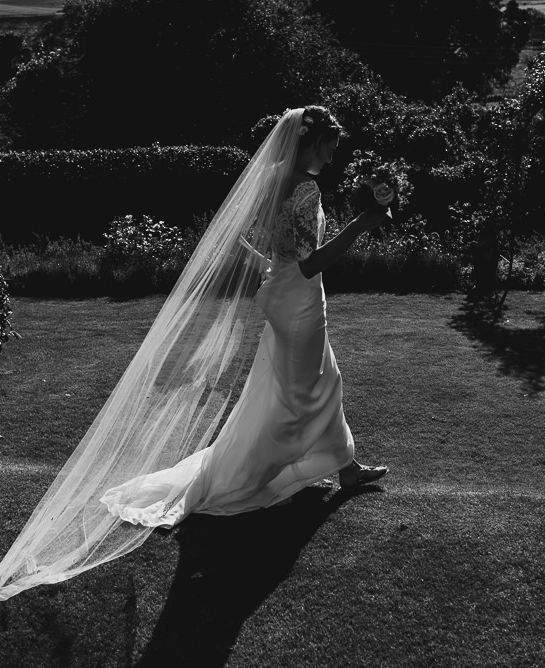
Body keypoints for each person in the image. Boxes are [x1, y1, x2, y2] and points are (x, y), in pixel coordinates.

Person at [0, 106, 389, 600]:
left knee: (319, 380)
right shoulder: (306, 187)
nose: (335, 153)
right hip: (299, 301)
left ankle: (346, 468)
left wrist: (268, 267)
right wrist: (362, 225)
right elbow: (311, 264)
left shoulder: (272, 181)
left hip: (282, 293)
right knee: (302, 393)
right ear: (312, 143)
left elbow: (255, 246)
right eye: (331, 144)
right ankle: (252, 474)